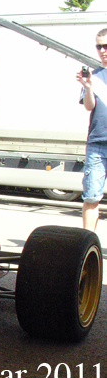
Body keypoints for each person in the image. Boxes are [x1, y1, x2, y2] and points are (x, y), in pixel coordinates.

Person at [77, 28, 107, 231]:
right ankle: (86, 244)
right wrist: (88, 87)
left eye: (106, 46)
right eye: (99, 46)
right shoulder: (94, 76)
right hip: (97, 143)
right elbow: (89, 106)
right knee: (91, 196)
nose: (103, 50)